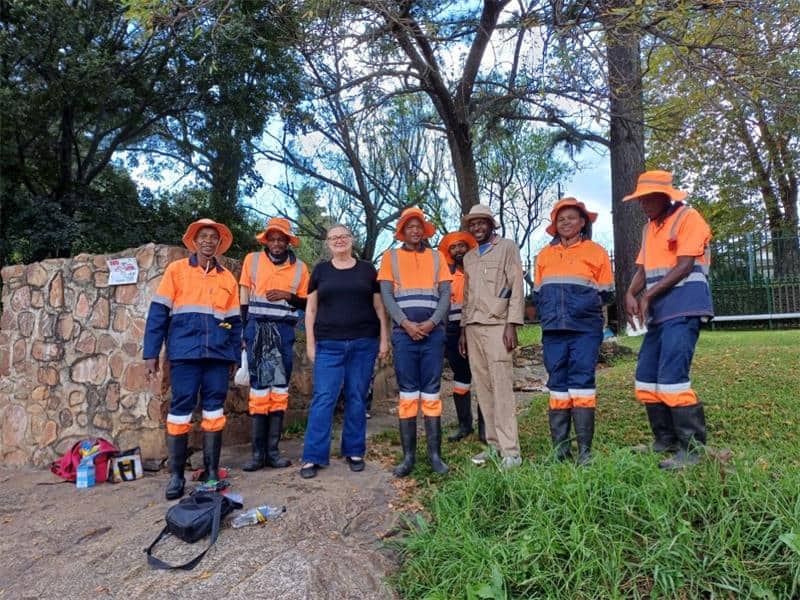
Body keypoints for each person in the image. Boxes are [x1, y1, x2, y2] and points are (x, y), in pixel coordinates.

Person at [143, 218, 241, 500]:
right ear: (195, 242)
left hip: (218, 357)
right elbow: (158, 313)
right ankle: (176, 477)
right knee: (179, 412)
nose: (209, 241)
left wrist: (233, 354)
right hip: (185, 354)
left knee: (214, 413)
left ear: (219, 244)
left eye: (214, 237)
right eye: (204, 236)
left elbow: (235, 322)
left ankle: (211, 473)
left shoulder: (227, 279)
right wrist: (151, 352)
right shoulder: (176, 271)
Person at [623, 170, 713, 470]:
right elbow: (641, 269)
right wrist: (631, 293)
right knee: (646, 377)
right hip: (660, 314)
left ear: (666, 196)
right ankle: (665, 440)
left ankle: (693, 448)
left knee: (673, 378)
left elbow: (685, 265)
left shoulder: (689, 217)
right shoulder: (650, 227)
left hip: (684, 307)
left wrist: (647, 296)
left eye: (648, 198)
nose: (643, 204)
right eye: (640, 199)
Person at [299, 224, 390, 479]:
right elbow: (311, 310)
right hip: (328, 344)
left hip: (364, 343)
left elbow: (379, 308)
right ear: (328, 243)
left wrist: (384, 339)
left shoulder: (366, 270)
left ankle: (354, 451)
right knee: (323, 398)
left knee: (357, 397)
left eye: (343, 236)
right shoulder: (320, 271)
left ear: (352, 239)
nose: (339, 241)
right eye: (334, 238)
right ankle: (313, 456)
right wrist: (310, 342)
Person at [534, 198, 614, 464]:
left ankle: (585, 451)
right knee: (557, 386)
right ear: (554, 225)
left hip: (584, 330)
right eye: (561, 218)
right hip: (554, 330)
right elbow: (538, 294)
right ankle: (560, 449)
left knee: (582, 384)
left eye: (571, 218)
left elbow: (606, 294)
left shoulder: (596, 252)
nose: (566, 222)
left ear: (583, 222)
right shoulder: (543, 255)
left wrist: (581, 310)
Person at [378, 206, 453, 477]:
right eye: (410, 227)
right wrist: (405, 323)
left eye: (419, 226)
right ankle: (408, 457)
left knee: (431, 393)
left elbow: (446, 294)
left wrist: (432, 322)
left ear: (424, 231)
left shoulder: (437, 257)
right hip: (403, 334)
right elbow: (387, 295)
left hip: (433, 334)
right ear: (402, 232)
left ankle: (435, 455)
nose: (415, 230)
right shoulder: (391, 257)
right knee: (408, 395)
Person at [240, 217, 310, 471]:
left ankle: (273, 451)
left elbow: (306, 303)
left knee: (279, 389)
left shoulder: (300, 268)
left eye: (282, 239)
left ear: (288, 241)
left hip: (283, 331)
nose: (277, 243)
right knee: (259, 389)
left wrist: (288, 296)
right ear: (267, 240)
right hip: (257, 327)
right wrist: (243, 331)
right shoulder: (253, 260)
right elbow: (244, 296)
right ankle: (257, 454)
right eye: (273, 238)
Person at [458, 204, 525, 470]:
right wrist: (463, 330)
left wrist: (512, 324)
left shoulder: (507, 247)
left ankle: (512, 451)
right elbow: (466, 296)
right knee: (483, 388)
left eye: (481, 223)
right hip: (473, 327)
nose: (477, 228)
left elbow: (516, 285)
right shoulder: (470, 257)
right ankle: (494, 446)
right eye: (472, 224)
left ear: (490, 224)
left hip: (497, 325)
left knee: (501, 387)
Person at [437, 231, 486, 443]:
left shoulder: (480, 271)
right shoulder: (446, 277)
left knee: (484, 377)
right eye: (453, 248)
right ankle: (465, 425)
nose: (458, 250)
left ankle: (486, 428)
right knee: (461, 377)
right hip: (454, 330)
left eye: (461, 246)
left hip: (479, 327)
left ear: (468, 248)